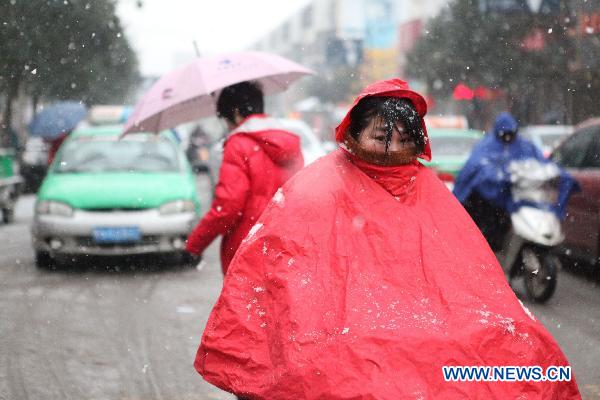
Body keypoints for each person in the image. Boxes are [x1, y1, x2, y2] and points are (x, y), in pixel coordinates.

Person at [193, 79, 580, 399]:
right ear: (354, 134)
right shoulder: (320, 183)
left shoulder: (428, 190)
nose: (391, 148)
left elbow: (471, 281)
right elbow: (284, 266)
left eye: (401, 137)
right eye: (380, 137)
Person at [185, 81, 304, 274]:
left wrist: (194, 245)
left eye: (226, 119)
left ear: (237, 113)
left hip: (248, 250)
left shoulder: (238, 144)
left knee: (244, 304)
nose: (227, 126)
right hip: (285, 246)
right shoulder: (290, 142)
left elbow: (228, 206)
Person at [453, 112, 577, 251]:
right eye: (504, 134)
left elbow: (540, 164)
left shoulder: (524, 145)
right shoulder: (487, 146)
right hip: (486, 201)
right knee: (489, 227)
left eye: (510, 134)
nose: (507, 138)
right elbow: (477, 169)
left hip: (514, 197)